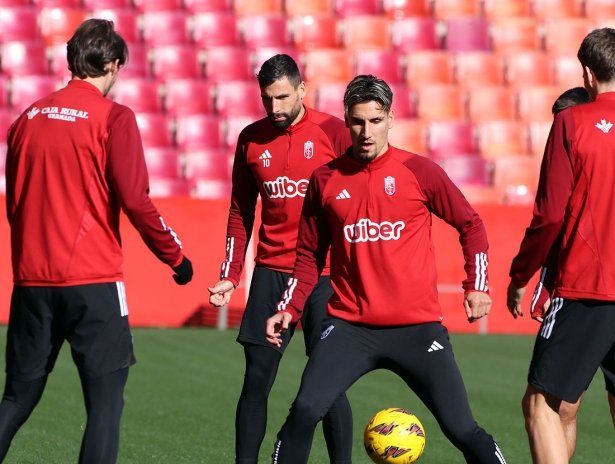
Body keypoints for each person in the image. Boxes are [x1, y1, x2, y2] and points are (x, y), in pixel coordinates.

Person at [266, 74, 507, 464]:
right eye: (358, 121)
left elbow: (471, 225)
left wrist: (476, 284)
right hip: (349, 328)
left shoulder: (420, 171)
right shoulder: (324, 180)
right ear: (346, 119)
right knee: (306, 410)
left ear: (390, 120)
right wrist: (288, 309)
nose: (366, 132)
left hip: (418, 328)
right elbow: (308, 257)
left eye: (375, 121)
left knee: (461, 428)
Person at [0, 19, 193, 463]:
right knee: (105, 407)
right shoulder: (114, 117)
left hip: (31, 284)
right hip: (92, 283)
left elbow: (16, 205)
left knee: (15, 400)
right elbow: (136, 200)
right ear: (112, 63)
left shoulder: (25, 119)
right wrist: (176, 258)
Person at [207, 54, 353, 464]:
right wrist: (231, 275)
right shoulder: (250, 138)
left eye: (284, 97)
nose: (276, 108)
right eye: (267, 99)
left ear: (302, 90)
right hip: (270, 275)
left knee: (328, 382)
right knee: (256, 381)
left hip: (324, 278)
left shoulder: (334, 133)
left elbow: (364, 198)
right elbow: (240, 211)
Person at [507, 28, 615, 464]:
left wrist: (520, 274)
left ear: (587, 73)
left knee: (541, 405)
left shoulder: (571, 121)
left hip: (588, 287)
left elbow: (550, 215)